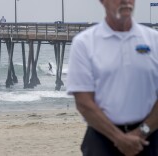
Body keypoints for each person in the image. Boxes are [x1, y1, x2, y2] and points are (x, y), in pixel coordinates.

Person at [67, 0, 158, 155]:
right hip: (102, 139)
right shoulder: (84, 43)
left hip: (149, 137)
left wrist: (142, 131)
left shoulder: (154, 40)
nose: (125, 1)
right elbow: (83, 102)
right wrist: (118, 137)